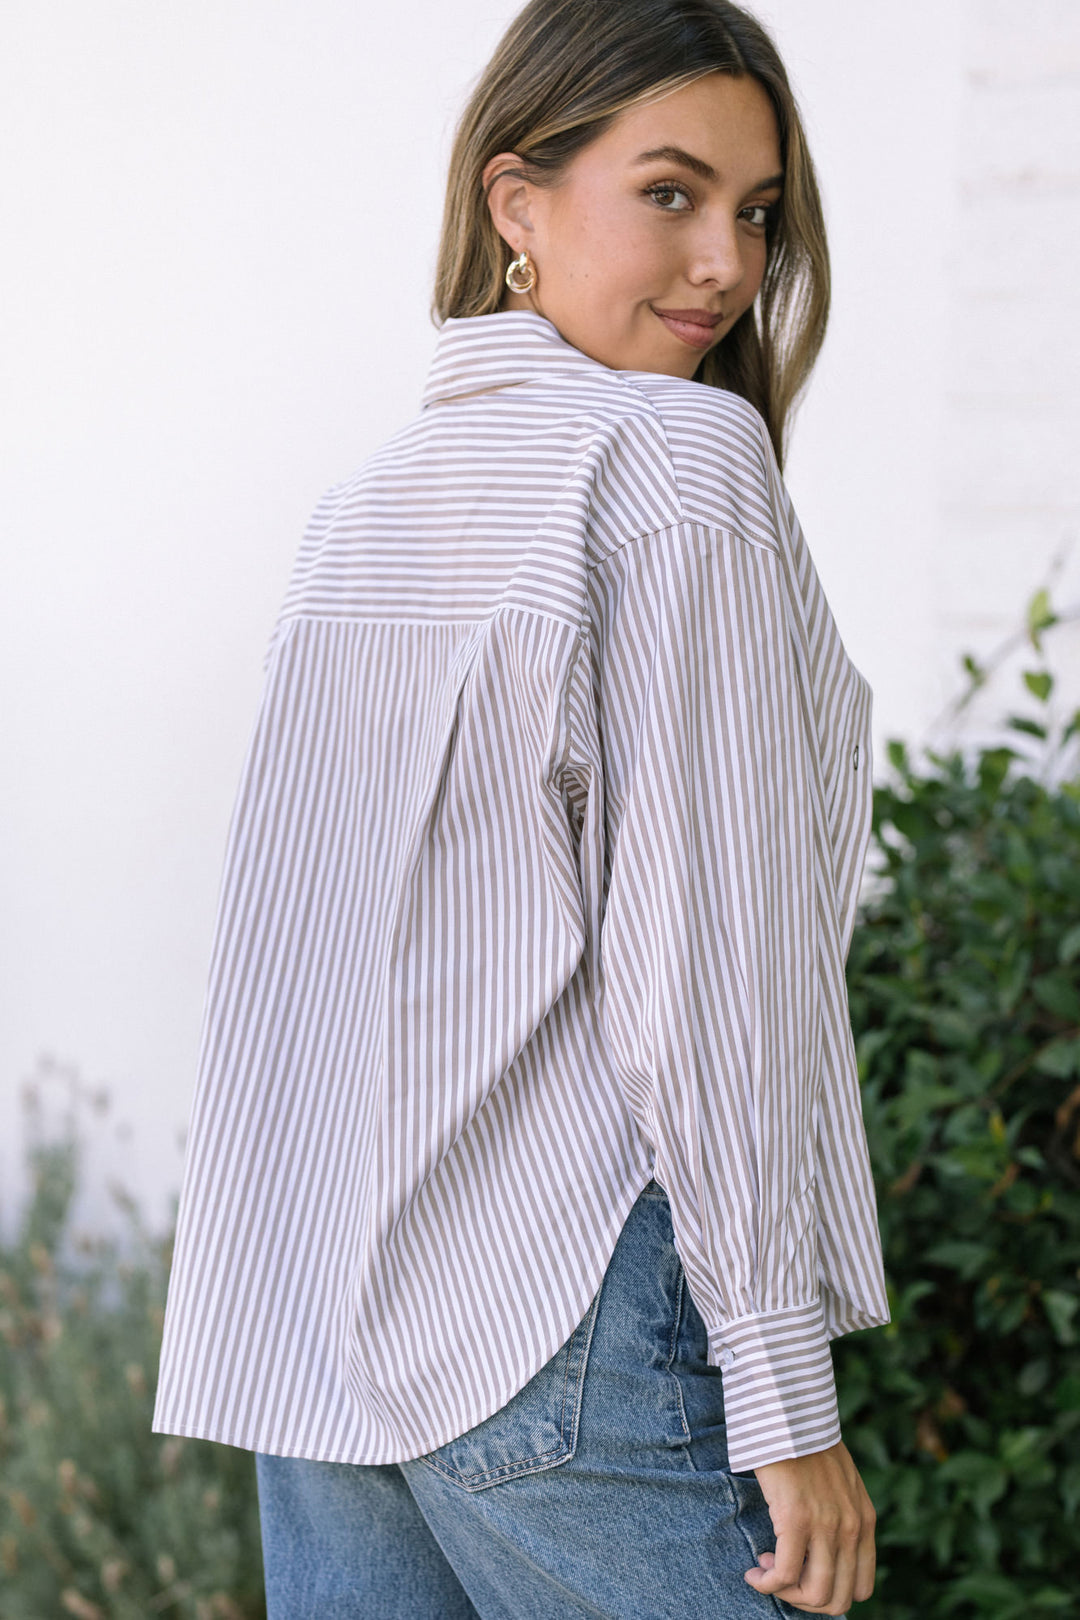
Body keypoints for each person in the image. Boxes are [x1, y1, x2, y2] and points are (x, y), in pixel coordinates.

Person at [152, 1, 891, 1614]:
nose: (726, 264)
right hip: (560, 1314)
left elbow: (289, 972)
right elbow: (706, 965)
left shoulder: (359, 512)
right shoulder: (682, 462)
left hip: (318, 1346)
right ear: (516, 203)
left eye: (758, 213)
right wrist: (785, 1394)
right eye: (672, 193)